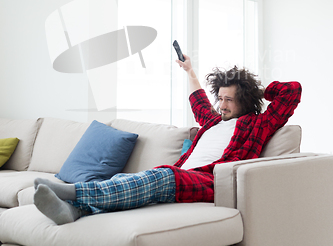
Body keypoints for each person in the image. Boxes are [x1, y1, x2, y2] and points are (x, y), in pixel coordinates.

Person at [33, 55, 302, 224]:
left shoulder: (259, 124)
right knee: (128, 181)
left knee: (161, 176)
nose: (221, 104)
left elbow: (292, 91)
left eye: (228, 99)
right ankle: (75, 211)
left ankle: (75, 191)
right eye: (219, 98)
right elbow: (198, 99)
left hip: (212, 182)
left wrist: (256, 89)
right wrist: (190, 72)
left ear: (244, 99)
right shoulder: (213, 121)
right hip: (182, 176)